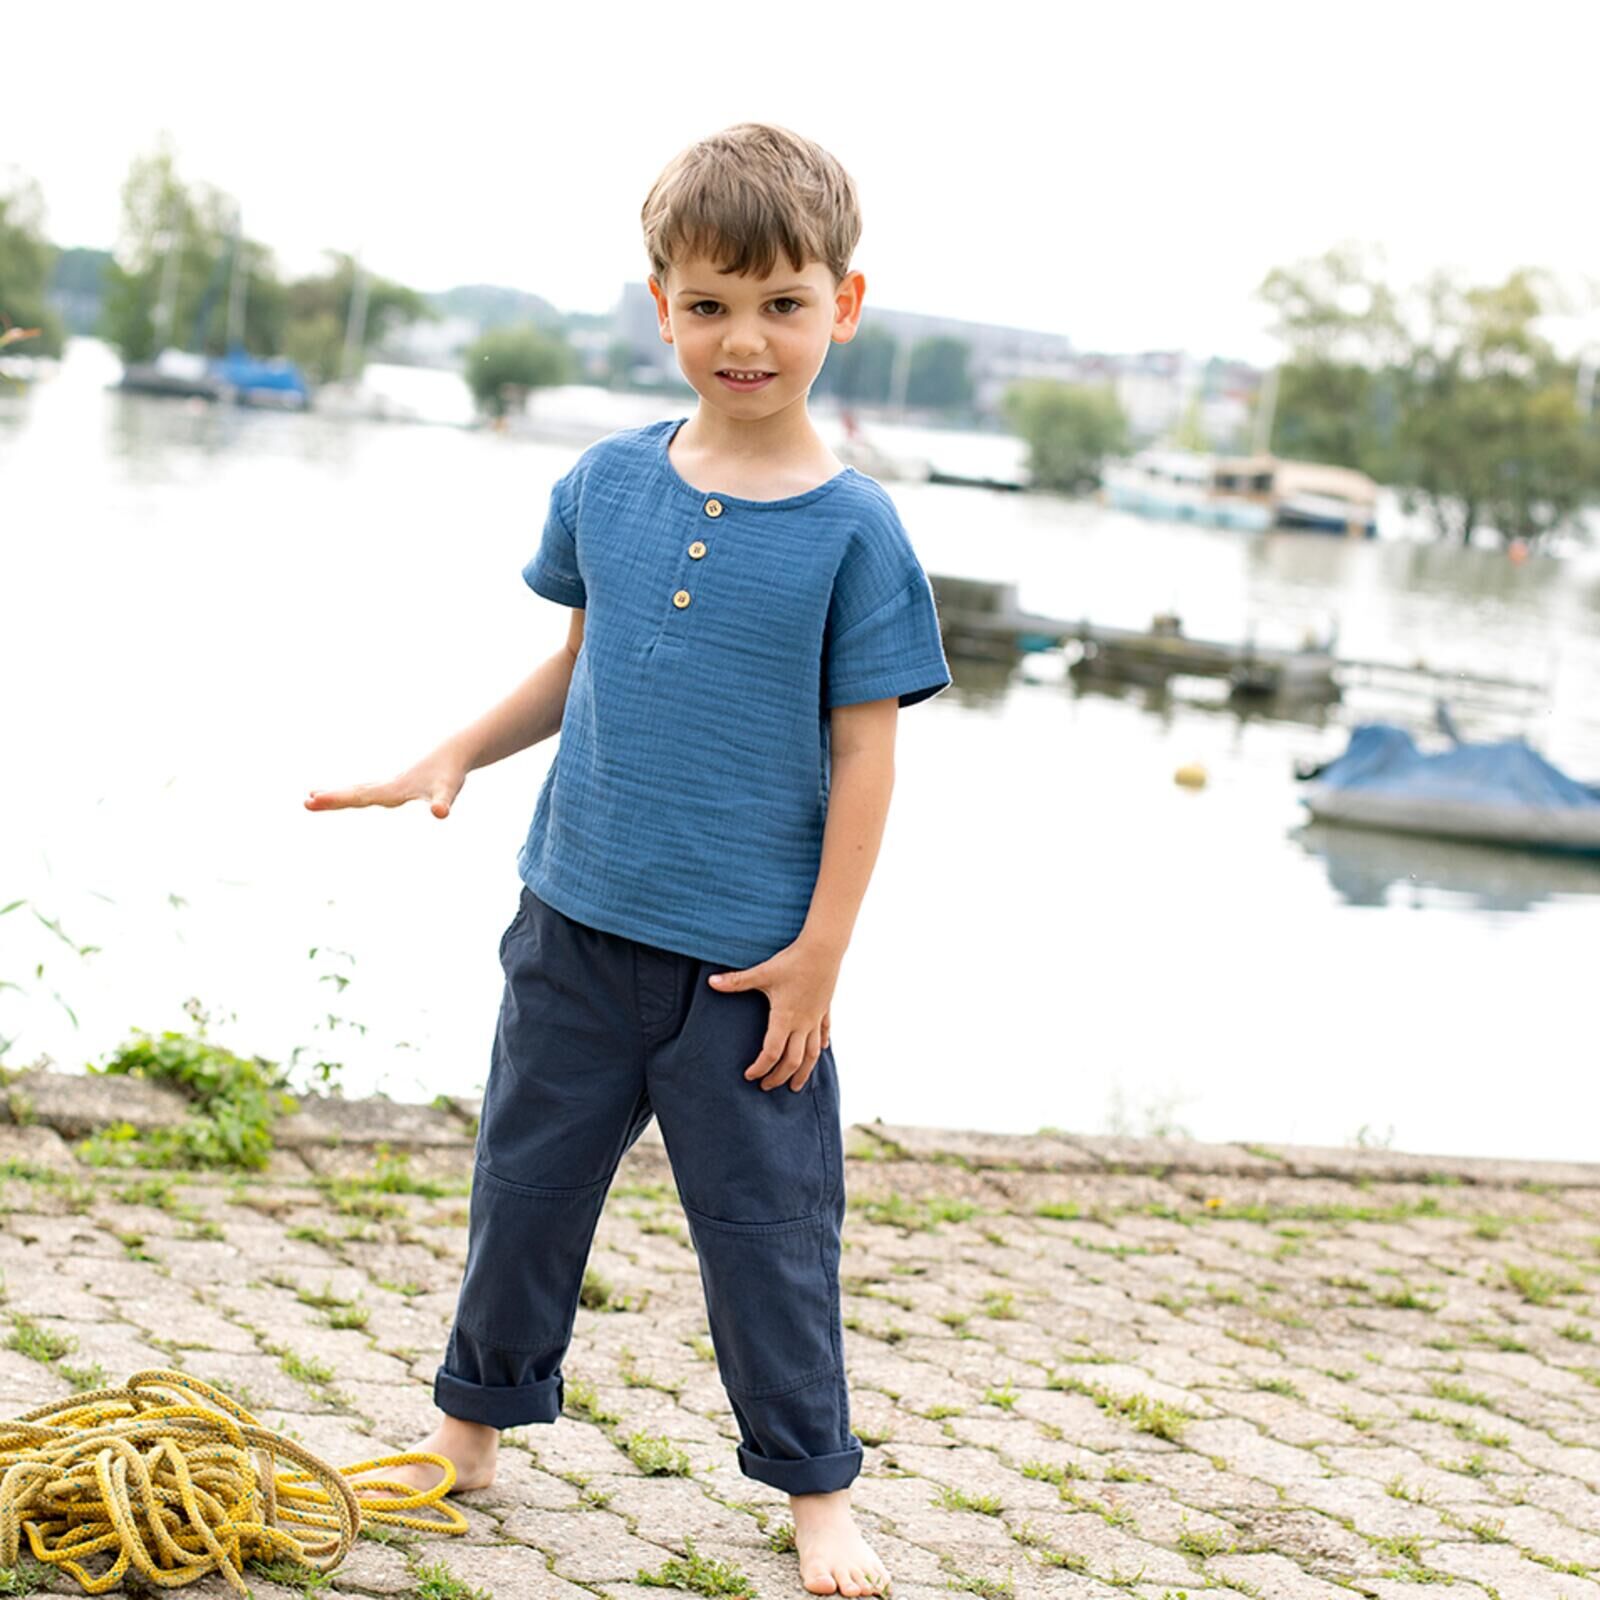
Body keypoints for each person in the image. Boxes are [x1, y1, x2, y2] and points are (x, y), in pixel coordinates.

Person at [305, 121, 951, 1599]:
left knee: (770, 1240)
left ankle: (818, 1500)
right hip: (572, 927)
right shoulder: (606, 481)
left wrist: (823, 955)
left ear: (841, 308)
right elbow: (581, 667)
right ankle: (470, 1437)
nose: (746, 338)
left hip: (747, 970)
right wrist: (453, 753)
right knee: (522, 1196)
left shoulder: (859, 535)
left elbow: (869, 754)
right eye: (711, 303)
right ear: (660, 304)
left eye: (782, 304)